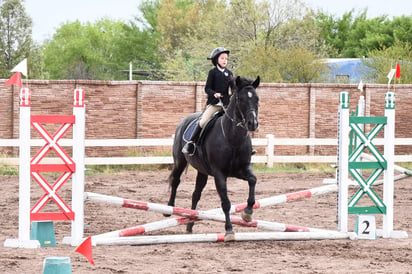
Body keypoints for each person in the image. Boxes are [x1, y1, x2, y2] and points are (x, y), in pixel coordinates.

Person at [182, 47, 233, 155]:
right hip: (214, 104)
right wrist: (214, 93)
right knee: (203, 121)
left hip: (226, 104)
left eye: (226, 59)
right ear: (216, 60)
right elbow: (207, 88)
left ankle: (244, 146)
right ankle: (191, 143)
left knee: (236, 121)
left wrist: (233, 93)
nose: (225, 60)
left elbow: (233, 88)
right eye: (222, 58)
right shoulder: (212, 73)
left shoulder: (229, 73)